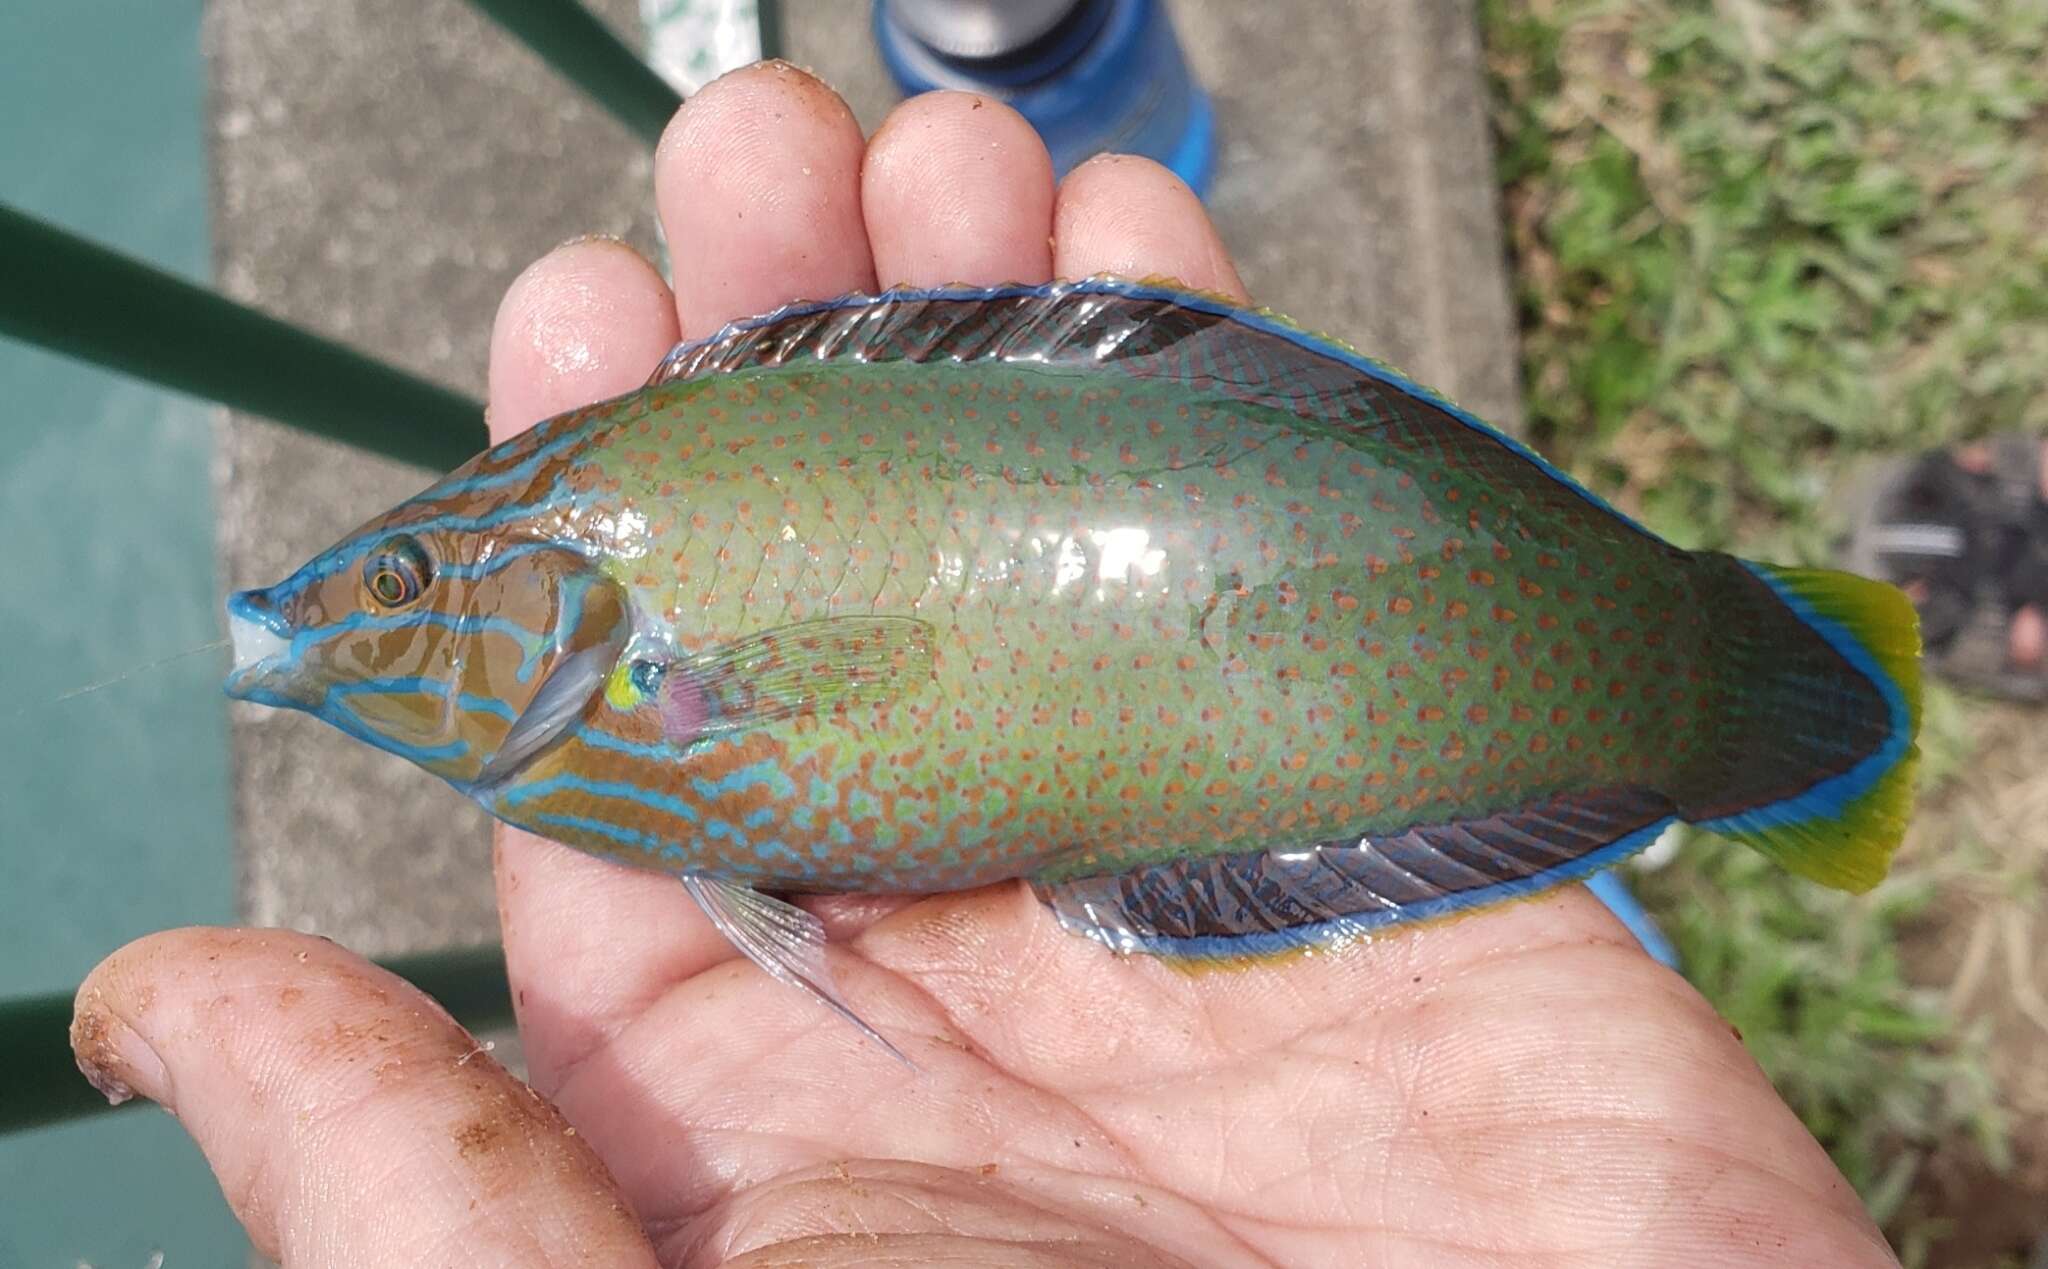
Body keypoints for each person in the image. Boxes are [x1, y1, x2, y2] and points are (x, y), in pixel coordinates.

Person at [71, 64, 1901, 1267]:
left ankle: (1727, 688)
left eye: (403, 578)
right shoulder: (606, 673)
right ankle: (1745, 704)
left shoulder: (625, 678)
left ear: (558, 609)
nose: (345, 617)